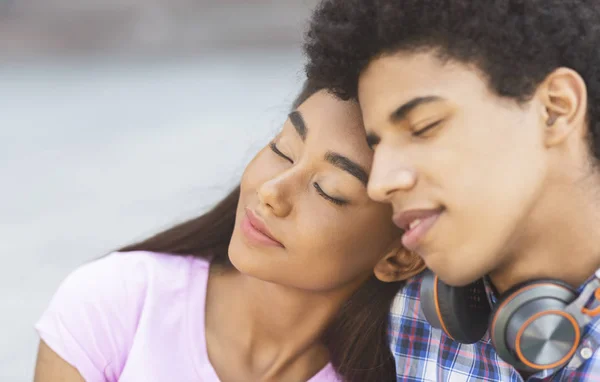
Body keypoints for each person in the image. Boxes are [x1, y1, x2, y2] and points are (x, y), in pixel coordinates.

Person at [32, 81, 428, 382]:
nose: (272, 192)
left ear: (399, 257)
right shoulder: (117, 300)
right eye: (282, 150)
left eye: (329, 190)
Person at [304, 0, 600, 380]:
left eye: (424, 127)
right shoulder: (404, 315)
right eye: (377, 146)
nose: (380, 184)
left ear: (556, 108)